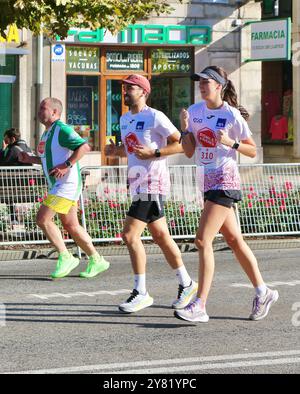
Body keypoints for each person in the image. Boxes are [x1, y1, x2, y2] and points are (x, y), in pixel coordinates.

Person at [174, 66, 279, 323]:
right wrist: (185, 129)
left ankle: (200, 304)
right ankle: (263, 291)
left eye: (206, 81)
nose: (201, 85)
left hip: (225, 180)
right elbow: (189, 152)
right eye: (199, 81)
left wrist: (229, 142)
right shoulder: (195, 112)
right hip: (207, 182)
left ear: (219, 86)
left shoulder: (231, 115)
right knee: (233, 240)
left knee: (202, 240)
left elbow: (252, 151)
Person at [105, 74, 197, 313]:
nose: (125, 91)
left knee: (129, 235)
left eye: (130, 87)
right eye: (124, 87)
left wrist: (155, 153)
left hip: (152, 183)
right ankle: (186, 283)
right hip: (138, 185)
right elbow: (134, 150)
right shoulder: (125, 119)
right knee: (161, 236)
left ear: (143, 92)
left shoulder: (155, 116)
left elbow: (182, 144)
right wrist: (116, 151)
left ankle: (141, 292)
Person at [19, 97, 110, 279]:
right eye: (39, 108)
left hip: (66, 184)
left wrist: (67, 165)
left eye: (43, 108)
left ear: (54, 112)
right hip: (59, 184)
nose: (39, 111)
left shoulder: (62, 129)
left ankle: (65, 255)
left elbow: (84, 147)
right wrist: (31, 159)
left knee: (43, 219)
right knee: (71, 225)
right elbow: (49, 160)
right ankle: (97, 259)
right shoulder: (47, 133)